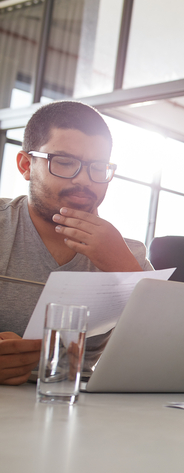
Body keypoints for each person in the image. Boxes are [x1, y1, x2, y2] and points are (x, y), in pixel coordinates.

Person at [0, 101, 153, 386]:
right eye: (64, 162)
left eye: (97, 167)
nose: (84, 179)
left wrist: (125, 270)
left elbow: (167, 349)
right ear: (25, 165)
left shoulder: (128, 253)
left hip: (80, 413)